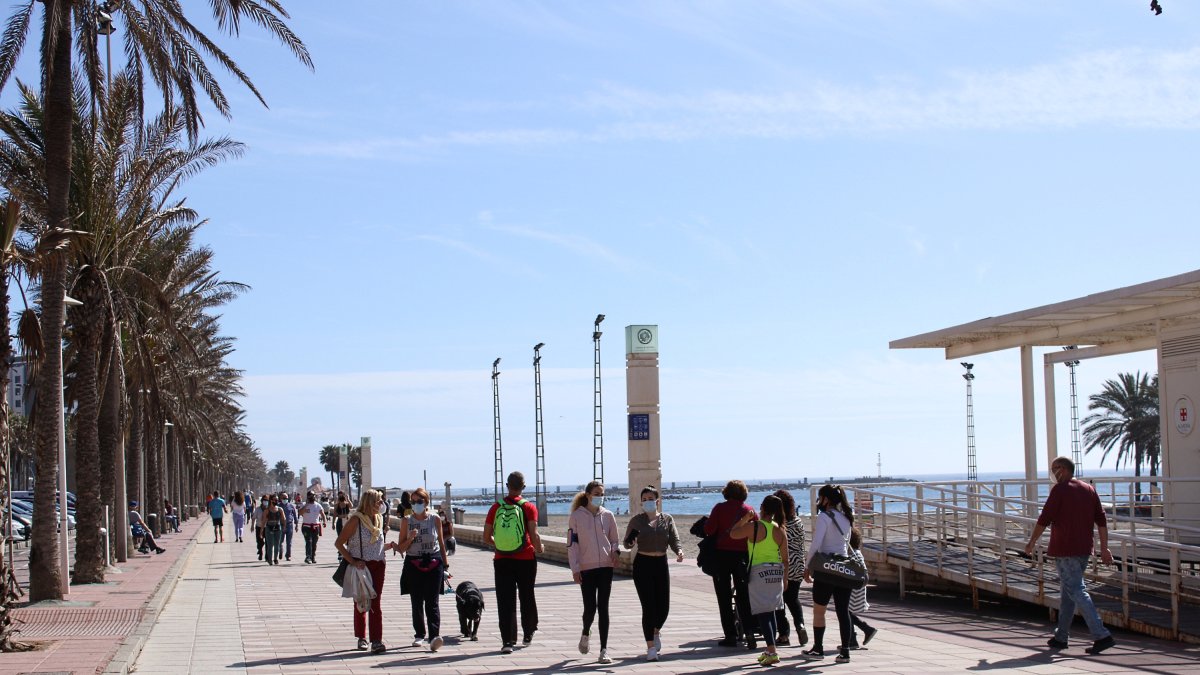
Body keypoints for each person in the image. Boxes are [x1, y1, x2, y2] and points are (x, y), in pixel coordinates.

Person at [1024, 456, 1116, 655]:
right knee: (1068, 595)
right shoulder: (1088, 489)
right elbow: (1101, 520)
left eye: (1054, 469)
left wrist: (1031, 541)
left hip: (1065, 549)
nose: (1052, 473)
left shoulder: (1060, 490)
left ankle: (1101, 635)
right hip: (1084, 549)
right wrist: (1104, 548)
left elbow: (1044, 518)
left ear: (1063, 470)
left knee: (1076, 590)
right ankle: (1061, 637)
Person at [483, 471, 544, 654]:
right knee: (527, 595)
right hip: (525, 559)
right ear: (523, 487)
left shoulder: (495, 508)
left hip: (502, 560)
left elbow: (486, 537)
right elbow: (533, 535)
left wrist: (501, 546)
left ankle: (507, 641)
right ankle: (528, 633)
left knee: (505, 600)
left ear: (507, 485)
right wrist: (539, 549)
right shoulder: (529, 507)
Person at [623, 485, 683, 662]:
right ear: (641, 502)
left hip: (661, 563)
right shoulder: (637, 521)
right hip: (643, 564)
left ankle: (656, 630)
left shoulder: (667, 519)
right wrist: (630, 542)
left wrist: (678, 551)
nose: (648, 502)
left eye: (651, 499)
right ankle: (650, 647)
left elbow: (674, 539)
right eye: (645, 499)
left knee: (663, 607)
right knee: (648, 607)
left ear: (657, 501)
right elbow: (626, 543)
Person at [731, 494, 788, 667]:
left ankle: (771, 651)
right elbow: (786, 558)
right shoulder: (779, 530)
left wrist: (745, 518)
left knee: (763, 612)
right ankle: (770, 650)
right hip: (776, 571)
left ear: (762, 508)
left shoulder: (754, 527)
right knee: (771, 611)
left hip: (759, 571)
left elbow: (733, 534)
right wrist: (786, 579)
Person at [802, 484, 855, 663]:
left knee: (819, 610)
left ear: (826, 499)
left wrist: (807, 565)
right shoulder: (847, 517)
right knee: (843, 611)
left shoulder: (824, 517)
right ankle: (845, 651)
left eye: (820, 497)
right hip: (844, 568)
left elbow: (816, 544)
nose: (819, 500)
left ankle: (818, 649)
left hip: (826, 569)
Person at [567, 481, 618, 665]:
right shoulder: (576, 517)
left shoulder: (609, 516)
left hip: (606, 567)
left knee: (603, 608)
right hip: (586, 569)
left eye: (602, 494)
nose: (600, 497)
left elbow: (614, 540)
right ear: (588, 495)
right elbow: (572, 545)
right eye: (596, 494)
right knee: (590, 608)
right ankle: (585, 632)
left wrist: (614, 551)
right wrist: (575, 568)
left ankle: (603, 650)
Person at [704, 479, 758, 649]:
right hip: (743, 556)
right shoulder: (749, 510)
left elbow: (709, 530)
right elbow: (755, 532)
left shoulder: (719, 508)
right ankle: (749, 631)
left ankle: (730, 635)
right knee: (744, 596)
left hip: (722, 556)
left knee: (724, 597)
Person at [335, 489, 390, 654]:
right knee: (361, 601)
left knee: (376, 602)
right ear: (370, 503)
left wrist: (390, 546)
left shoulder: (379, 519)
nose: (381, 504)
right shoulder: (355, 520)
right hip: (362, 566)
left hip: (378, 565)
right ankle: (362, 637)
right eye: (379, 501)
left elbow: (377, 545)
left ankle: (377, 640)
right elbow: (339, 543)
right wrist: (353, 561)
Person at [397, 487, 449, 652]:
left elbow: (441, 543)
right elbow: (401, 548)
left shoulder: (435, 519)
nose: (416, 504)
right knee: (417, 601)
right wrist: (410, 538)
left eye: (419, 501)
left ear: (426, 502)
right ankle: (419, 634)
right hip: (413, 563)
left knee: (432, 602)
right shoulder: (406, 521)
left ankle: (434, 636)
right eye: (413, 502)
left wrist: (445, 566)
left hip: (434, 562)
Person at [774, 489, 808, 646]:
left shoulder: (780, 525)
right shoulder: (798, 521)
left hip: (783, 565)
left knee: (779, 600)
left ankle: (784, 634)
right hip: (798, 564)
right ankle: (800, 624)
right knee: (793, 598)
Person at [846, 528, 877, 649]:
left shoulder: (851, 554)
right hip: (859, 585)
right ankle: (853, 638)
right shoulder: (857, 552)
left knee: (845, 611)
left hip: (853, 586)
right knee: (847, 612)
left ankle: (865, 630)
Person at [298, 491, 327, 564]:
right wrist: (306, 505)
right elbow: (300, 513)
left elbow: (322, 514)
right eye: (310, 496)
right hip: (306, 527)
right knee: (308, 541)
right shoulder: (304, 504)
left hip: (315, 527)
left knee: (314, 543)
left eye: (313, 496)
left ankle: (313, 556)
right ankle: (308, 557)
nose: (312, 497)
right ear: (307, 497)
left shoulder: (318, 505)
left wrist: (324, 522)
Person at [263, 495, 285, 565]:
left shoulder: (280, 509)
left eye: (277, 500)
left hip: (278, 528)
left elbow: (283, 518)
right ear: (271, 500)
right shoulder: (267, 510)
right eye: (275, 500)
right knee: (270, 545)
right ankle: (270, 559)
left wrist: (284, 526)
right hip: (269, 528)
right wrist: (261, 531)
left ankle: (275, 558)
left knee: (277, 544)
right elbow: (264, 521)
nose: (276, 501)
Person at [278, 492, 298, 562]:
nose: (285, 499)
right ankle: (280, 551)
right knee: (280, 541)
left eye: (286, 498)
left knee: (289, 542)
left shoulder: (291, 506)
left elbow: (295, 515)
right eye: (283, 498)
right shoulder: (278, 506)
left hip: (290, 525)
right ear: (280, 498)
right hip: (281, 525)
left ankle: (288, 556)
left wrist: (296, 525)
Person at [252, 495, 269, 560]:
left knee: (268, 542)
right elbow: (253, 518)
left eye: (267, 500)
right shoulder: (258, 509)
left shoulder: (269, 509)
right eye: (264, 500)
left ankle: (267, 555)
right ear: (262, 501)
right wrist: (252, 526)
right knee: (259, 542)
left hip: (267, 527)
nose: (266, 502)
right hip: (259, 527)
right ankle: (260, 551)